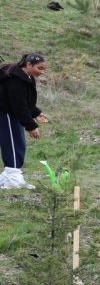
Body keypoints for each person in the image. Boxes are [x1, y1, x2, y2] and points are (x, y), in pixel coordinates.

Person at [0, 53, 51, 189]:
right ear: (29, 64)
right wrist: (31, 126)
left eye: (43, 69)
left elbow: (26, 102)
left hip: (13, 113)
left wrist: (36, 113)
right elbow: (19, 106)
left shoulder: (27, 77)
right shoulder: (14, 80)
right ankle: (11, 178)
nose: (42, 72)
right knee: (12, 143)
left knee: (19, 143)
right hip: (6, 113)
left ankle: (11, 177)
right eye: (39, 68)